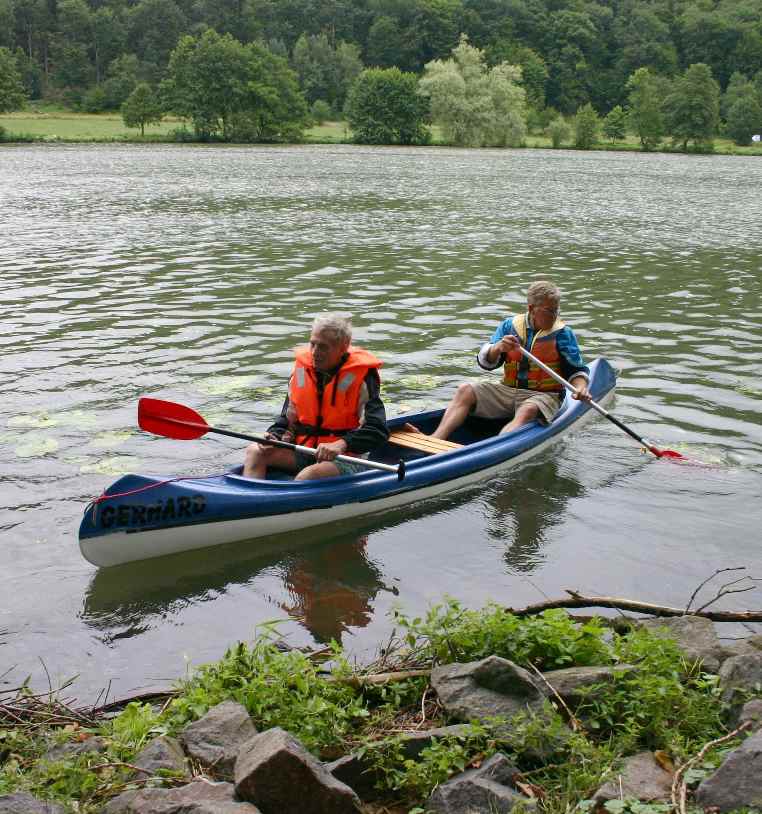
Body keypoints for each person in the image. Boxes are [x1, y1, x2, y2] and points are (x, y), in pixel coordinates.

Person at [408, 280, 591, 440]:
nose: (554, 315)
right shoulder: (509, 326)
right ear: (531, 309)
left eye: (556, 310)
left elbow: (576, 371)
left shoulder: (563, 334)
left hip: (544, 396)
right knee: (465, 390)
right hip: (508, 390)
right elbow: (486, 361)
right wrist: (498, 348)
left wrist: (581, 388)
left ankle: (495, 448)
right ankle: (435, 438)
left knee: (527, 410)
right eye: (549, 311)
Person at [243, 314, 389, 480]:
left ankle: (289, 504)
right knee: (255, 451)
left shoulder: (362, 377)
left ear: (343, 348)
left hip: (346, 456)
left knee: (308, 476)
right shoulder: (301, 372)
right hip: (306, 449)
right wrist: (273, 437)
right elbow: (286, 420)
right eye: (313, 344)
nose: (315, 352)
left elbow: (377, 430)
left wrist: (341, 444)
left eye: (323, 347)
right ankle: (250, 499)